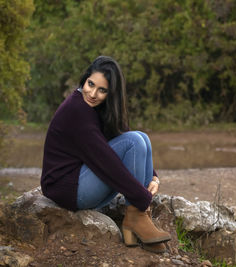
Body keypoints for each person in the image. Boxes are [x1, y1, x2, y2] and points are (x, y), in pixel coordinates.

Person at [41, 56, 170, 253]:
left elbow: (122, 132)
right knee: (134, 141)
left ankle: (135, 221)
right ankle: (137, 217)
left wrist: (153, 175)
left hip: (80, 178)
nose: (92, 93)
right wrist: (142, 197)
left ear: (111, 93)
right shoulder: (77, 110)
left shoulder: (97, 107)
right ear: (84, 79)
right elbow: (107, 162)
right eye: (90, 84)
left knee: (140, 137)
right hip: (67, 189)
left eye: (102, 90)